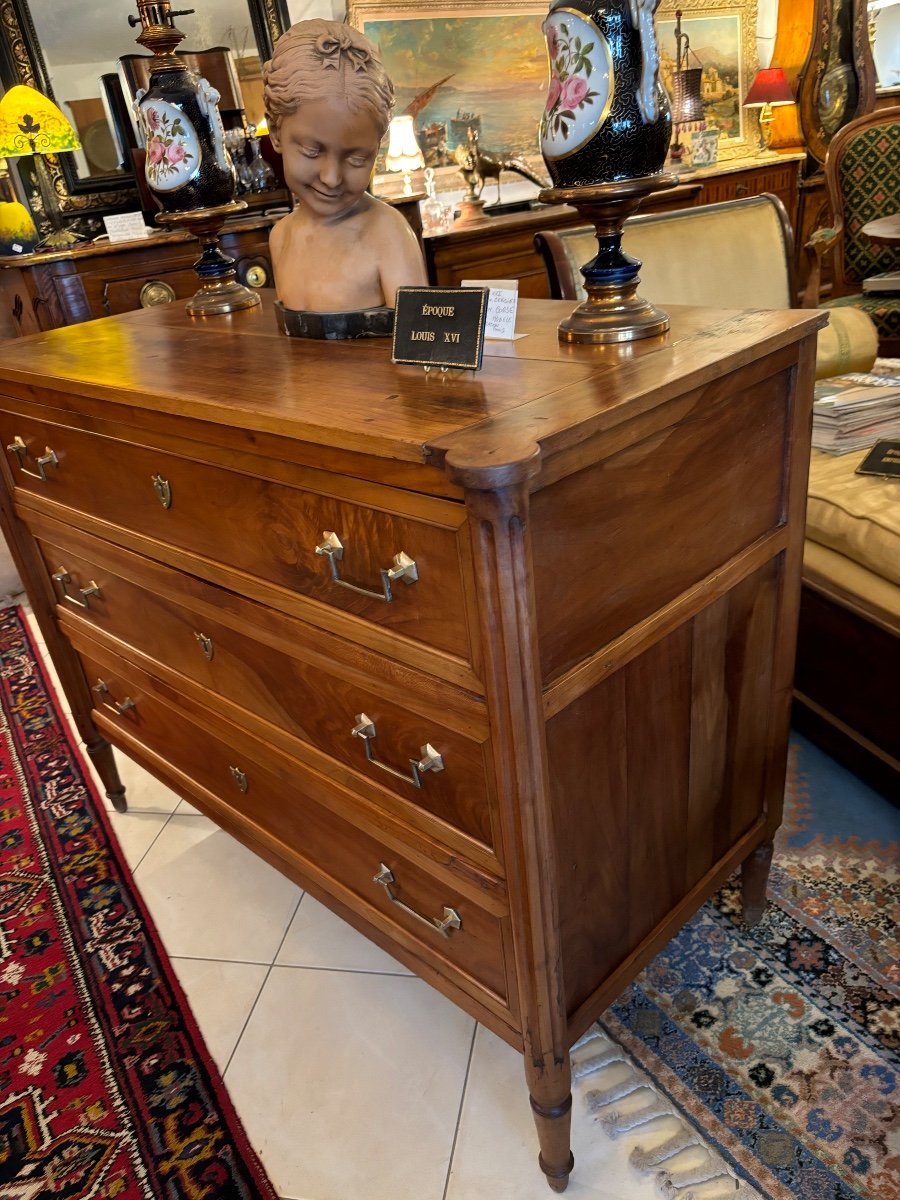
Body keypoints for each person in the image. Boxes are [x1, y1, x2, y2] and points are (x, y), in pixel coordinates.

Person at [263, 20, 427, 313]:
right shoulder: (281, 237)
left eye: (357, 159)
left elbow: (417, 344)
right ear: (276, 132)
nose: (331, 178)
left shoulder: (388, 235)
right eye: (312, 151)